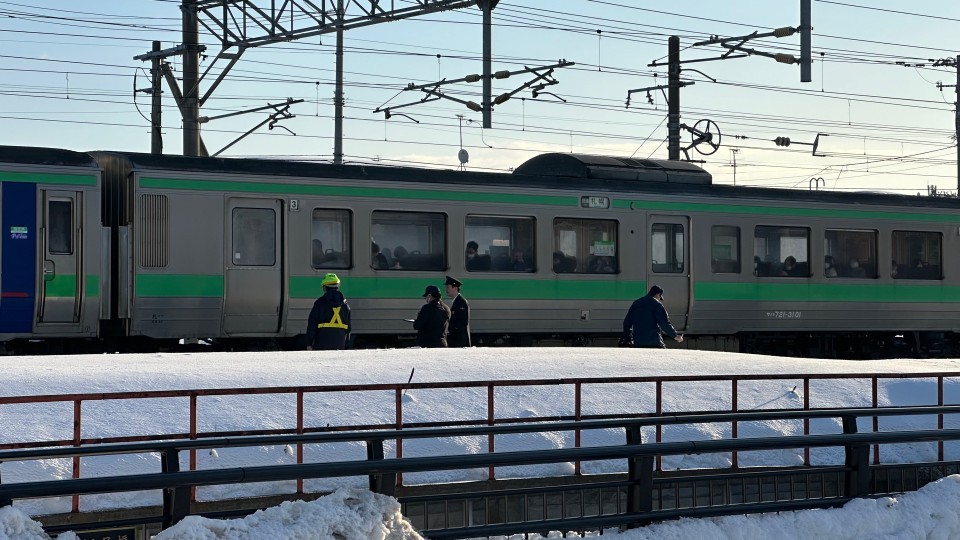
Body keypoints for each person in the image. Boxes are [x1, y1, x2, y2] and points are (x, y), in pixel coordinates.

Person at [305, 273, 351, 350]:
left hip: (321, 344)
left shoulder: (319, 303)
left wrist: (309, 343)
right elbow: (348, 329)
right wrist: (346, 346)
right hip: (340, 345)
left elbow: (312, 326)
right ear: (337, 287)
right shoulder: (345, 306)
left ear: (324, 288)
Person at [444, 275, 471, 347]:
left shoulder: (461, 302)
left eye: (448, 287)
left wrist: (452, 330)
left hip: (459, 341)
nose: (446, 290)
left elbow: (462, 322)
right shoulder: (457, 301)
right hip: (457, 339)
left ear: (455, 288)